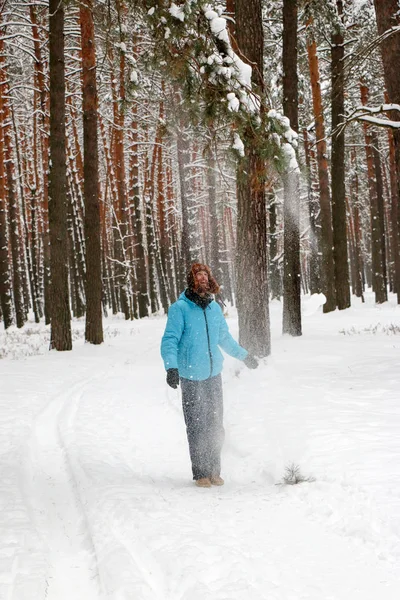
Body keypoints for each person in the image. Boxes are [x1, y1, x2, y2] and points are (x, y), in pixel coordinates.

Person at [161, 263, 258, 488]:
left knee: (215, 425)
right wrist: (171, 367)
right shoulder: (180, 308)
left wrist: (245, 356)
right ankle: (201, 472)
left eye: (206, 275)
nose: (203, 278)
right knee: (197, 425)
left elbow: (224, 338)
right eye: (198, 275)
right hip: (191, 376)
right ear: (191, 280)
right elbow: (170, 339)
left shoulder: (214, 309)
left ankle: (215, 470)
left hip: (214, 375)